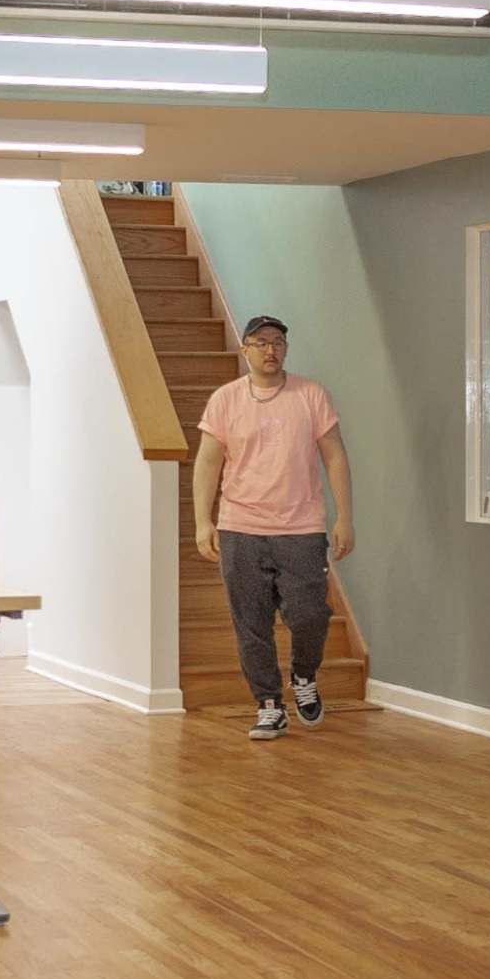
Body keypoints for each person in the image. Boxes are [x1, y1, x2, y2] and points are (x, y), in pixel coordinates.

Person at [192, 314, 353, 740]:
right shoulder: (225, 400)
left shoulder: (311, 395)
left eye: (278, 342)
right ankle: (268, 704)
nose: (270, 349)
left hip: (301, 527)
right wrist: (203, 521)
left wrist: (345, 517)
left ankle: (304, 676)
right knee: (251, 623)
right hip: (240, 527)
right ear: (244, 348)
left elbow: (335, 456)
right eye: (260, 342)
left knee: (309, 614)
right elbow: (207, 462)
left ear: (285, 349)